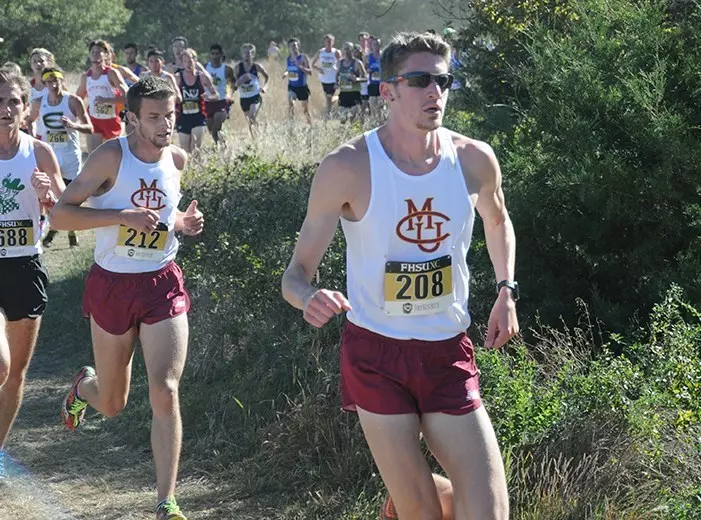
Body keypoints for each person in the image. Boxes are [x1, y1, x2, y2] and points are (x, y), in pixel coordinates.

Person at [281, 32, 517, 520]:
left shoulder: (473, 159)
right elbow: (296, 274)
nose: (435, 92)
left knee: (489, 514)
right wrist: (308, 297)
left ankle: (404, 501)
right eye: (420, 80)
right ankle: (409, 501)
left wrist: (506, 290)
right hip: (377, 355)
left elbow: (497, 221)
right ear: (387, 90)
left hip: (446, 351)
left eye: (443, 81)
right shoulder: (348, 167)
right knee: (423, 515)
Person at [53, 75, 204, 520]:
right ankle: (83, 387)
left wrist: (181, 223)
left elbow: (165, 215)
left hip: (161, 284)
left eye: (169, 115)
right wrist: (121, 216)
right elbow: (61, 215)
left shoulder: (177, 158)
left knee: (166, 390)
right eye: (154, 116)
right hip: (113, 285)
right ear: (132, 118)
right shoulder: (110, 156)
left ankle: (166, 502)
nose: (165, 124)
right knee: (113, 403)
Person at [0, 68, 64, 480]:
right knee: (0, 365)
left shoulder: (39, 152)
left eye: (13, 101)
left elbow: (64, 213)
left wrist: (48, 198)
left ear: (26, 107)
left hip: (25, 266)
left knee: (15, 375)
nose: (6, 109)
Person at [28, 67, 93, 248]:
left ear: (62, 80)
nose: (53, 85)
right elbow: (29, 120)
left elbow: (89, 128)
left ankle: (70, 231)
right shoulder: (39, 102)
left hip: (70, 155)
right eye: (49, 82)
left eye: (56, 81)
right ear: (44, 84)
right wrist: (33, 137)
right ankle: (53, 229)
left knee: (70, 197)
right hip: (50, 155)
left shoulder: (73, 101)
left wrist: (73, 125)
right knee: (49, 195)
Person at [76, 40, 129, 152]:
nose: (95, 54)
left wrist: (107, 100)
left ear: (105, 55)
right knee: (93, 155)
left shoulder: (111, 73)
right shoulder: (86, 77)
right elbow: (77, 99)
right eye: (93, 52)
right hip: (94, 120)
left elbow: (127, 97)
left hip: (111, 121)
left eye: (98, 52)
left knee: (110, 156)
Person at [177, 48, 217, 153]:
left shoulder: (202, 77)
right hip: (183, 117)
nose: (188, 64)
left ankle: (197, 163)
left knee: (195, 149)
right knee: (185, 151)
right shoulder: (178, 78)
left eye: (190, 61)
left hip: (198, 117)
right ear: (182, 63)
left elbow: (216, 95)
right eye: (185, 61)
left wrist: (209, 98)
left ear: (195, 60)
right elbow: (171, 96)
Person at [204, 44, 236, 144]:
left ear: (221, 55)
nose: (215, 56)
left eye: (217, 54)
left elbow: (232, 84)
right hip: (207, 101)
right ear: (210, 55)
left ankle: (222, 148)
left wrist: (229, 95)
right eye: (212, 54)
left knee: (216, 129)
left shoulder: (227, 69)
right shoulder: (205, 67)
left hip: (221, 101)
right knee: (211, 130)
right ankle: (222, 144)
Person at [234, 44, 269, 135]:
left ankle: (258, 136)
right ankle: (257, 135)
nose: (246, 55)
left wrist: (265, 87)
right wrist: (239, 81)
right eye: (244, 53)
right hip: (244, 98)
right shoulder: (237, 68)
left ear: (252, 55)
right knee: (250, 121)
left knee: (252, 117)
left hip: (255, 97)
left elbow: (267, 77)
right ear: (242, 54)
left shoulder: (256, 66)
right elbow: (233, 86)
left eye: (249, 53)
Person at [310, 34, 341, 119]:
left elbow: (341, 64)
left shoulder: (336, 52)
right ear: (324, 42)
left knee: (329, 97)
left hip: (333, 78)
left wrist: (338, 74)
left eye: (330, 41)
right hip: (324, 78)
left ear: (333, 42)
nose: (328, 43)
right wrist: (318, 69)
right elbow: (312, 64)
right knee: (328, 97)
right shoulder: (321, 52)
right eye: (327, 41)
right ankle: (335, 102)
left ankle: (327, 114)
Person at [28, 48, 55, 140]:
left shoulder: (55, 84)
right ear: (31, 65)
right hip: (35, 133)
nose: (38, 64)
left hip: (54, 132)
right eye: (34, 61)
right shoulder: (27, 87)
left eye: (41, 61)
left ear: (49, 62)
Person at [283, 38, 312, 125]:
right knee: (291, 104)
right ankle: (292, 125)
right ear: (289, 48)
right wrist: (285, 73)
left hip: (302, 87)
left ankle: (310, 125)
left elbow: (310, 72)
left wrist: (300, 67)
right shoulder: (288, 59)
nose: (293, 47)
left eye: (295, 45)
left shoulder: (303, 57)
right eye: (291, 46)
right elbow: (288, 70)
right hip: (292, 87)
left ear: (298, 46)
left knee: (305, 110)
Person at [336, 42, 366, 124]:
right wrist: (336, 83)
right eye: (345, 49)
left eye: (348, 49)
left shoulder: (357, 63)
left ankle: (355, 128)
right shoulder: (339, 62)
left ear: (352, 50)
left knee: (352, 118)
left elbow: (365, 78)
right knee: (342, 119)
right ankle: (345, 130)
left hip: (354, 93)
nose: (346, 51)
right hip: (343, 93)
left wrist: (357, 79)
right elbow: (337, 75)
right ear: (342, 50)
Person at [365, 37, 383, 116]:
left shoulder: (383, 56)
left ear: (380, 45)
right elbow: (364, 70)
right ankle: (373, 120)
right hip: (372, 84)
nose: (376, 46)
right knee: (372, 104)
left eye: (378, 44)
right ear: (371, 46)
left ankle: (380, 120)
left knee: (380, 105)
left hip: (382, 84)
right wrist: (368, 70)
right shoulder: (368, 57)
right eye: (374, 44)